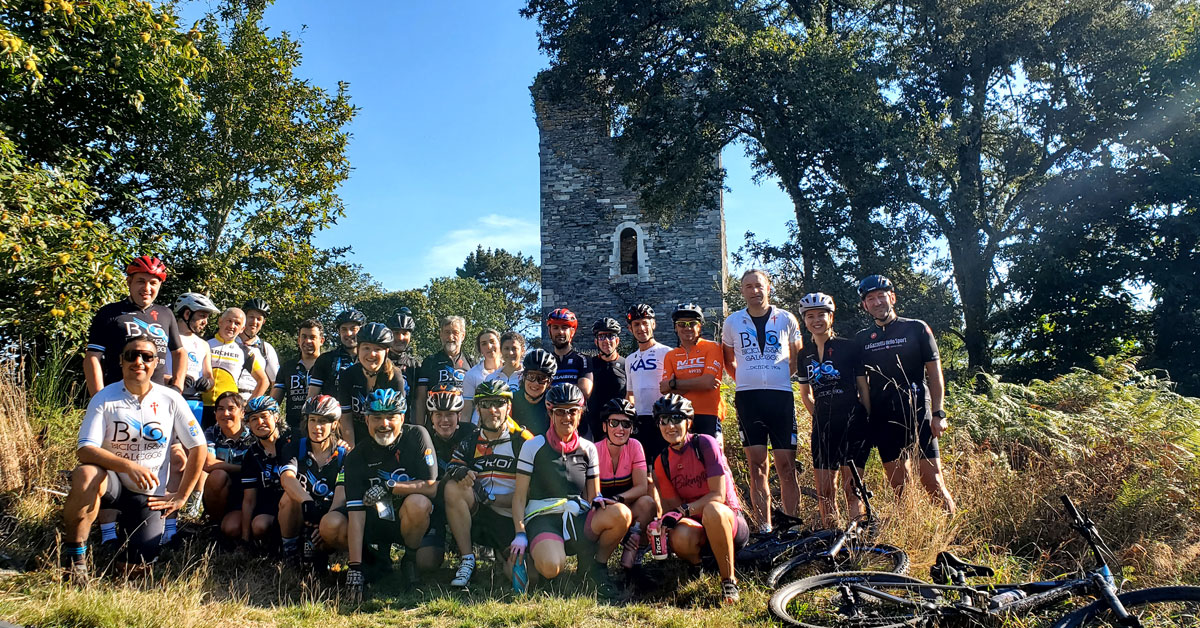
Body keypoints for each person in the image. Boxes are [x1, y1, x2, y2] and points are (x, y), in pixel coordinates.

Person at [62, 337, 206, 581]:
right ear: (120, 361)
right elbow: (85, 450)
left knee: (135, 569)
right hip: (111, 484)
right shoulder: (104, 397)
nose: (138, 361)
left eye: (146, 356)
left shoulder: (171, 399)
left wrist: (182, 496)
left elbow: (199, 447)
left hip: (149, 494)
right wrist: (128, 466)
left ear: (156, 363)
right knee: (86, 474)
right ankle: (75, 558)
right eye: (131, 355)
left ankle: (122, 548)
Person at [510, 383, 629, 597]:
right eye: (560, 411)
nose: (567, 417)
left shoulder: (588, 448)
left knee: (622, 514)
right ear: (550, 413)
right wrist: (520, 533)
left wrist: (600, 501)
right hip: (543, 518)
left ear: (580, 413)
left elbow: (594, 495)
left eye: (573, 411)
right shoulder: (533, 446)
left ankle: (595, 568)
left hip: (577, 517)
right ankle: (538, 560)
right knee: (551, 566)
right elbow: (519, 498)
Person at [854, 275, 956, 513]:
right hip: (883, 418)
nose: (877, 302)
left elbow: (935, 373)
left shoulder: (916, 328)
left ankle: (953, 538)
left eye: (881, 295)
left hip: (919, 411)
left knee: (934, 483)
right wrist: (867, 419)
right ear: (865, 305)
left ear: (892, 297)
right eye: (871, 298)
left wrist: (939, 413)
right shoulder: (861, 339)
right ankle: (912, 539)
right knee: (900, 488)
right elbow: (863, 386)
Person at [721, 269, 803, 533]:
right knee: (756, 465)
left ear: (769, 287)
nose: (754, 291)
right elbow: (728, 360)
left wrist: (777, 376)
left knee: (786, 466)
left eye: (759, 285)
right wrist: (747, 377)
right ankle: (764, 526)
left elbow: (796, 358)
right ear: (741, 291)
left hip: (780, 397)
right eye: (748, 286)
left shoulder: (787, 319)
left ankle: (791, 526)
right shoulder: (733, 321)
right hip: (748, 398)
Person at [652, 394, 749, 604]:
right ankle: (701, 566)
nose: (670, 426)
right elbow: (673, 508)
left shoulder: (705, 443)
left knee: (712, 510)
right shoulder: (662, 461)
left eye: (676, 419)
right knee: (679, 533)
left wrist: (684, 510)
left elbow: (718, 495)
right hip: (698, 524)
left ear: (688, 422)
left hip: (728, 521)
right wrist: (663, 523)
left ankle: (728, 581)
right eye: (664, 420)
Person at [342, 389, 437, 600]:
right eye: (377, 417)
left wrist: (390, 486)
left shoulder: (417, 435)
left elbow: (431, 486)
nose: (384, 424)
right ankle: (372, 561)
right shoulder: (356, 456)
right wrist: (354, 567)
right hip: (374, 523)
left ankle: (409, 560)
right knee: (331, 525)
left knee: (419, 505)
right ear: (366, 420)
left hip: (408, 520)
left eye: (391, 417)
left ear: (402, 418)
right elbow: (356, 515)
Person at [442, 380, 533, 587]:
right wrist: (461, 471)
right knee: (453, 487)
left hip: (510, 520)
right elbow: (451, 466)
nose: (492, 410)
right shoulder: (471, 440)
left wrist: (492, 499)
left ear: (508, 407)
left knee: (527, 580)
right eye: (485, 404)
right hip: (479, 517)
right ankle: (467, 560)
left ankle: (503, 558)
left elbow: (532, 492)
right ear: (477, 409)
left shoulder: (523, 440)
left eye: (498, 403)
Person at [796, 293, 871, 528]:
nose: (816, 320)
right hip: (824, 424)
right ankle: (831, 536)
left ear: (831, 317)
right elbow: (805, 393)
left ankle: (855, 536)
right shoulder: (803, 354)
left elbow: (863, 386)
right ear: (804, 320)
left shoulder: (849, 347)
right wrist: (817, 415)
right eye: (810, 316)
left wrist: (868, 417)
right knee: (825, 490)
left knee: (852, 488)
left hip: (853, 420)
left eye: (821, 315)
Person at [84, 255, 185, 396]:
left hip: (156, 398)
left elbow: (179, 352)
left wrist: (177, 388)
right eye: (141, 281)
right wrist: (98, 396)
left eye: (153, 283)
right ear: (129, 282)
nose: (147, 288)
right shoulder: (109, 312)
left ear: (160, 285)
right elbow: (93, 357)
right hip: (117, 395)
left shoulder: (166, 314)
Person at [278, 395, 348, 571]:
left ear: (334, 424)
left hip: (331, 514)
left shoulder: (344, 453)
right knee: (288, 498)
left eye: (323, 421)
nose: (316, 427)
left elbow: (342, 493)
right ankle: (290, 552)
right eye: (312, 420)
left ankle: (333, 554)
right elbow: (287, 478)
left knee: (329, 531)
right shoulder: (294, 447)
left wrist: (323, 524)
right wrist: (307, 502)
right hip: (303, 512)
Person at [595, 398, 657, 572]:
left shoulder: (635, 446)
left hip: (624, 504)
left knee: (647, 502)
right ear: (604, 426)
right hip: (602, 509)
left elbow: (641, 487)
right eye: (614, 423)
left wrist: (618, 499)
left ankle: (634, 549)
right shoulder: (594, 449)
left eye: (626, 424)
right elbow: (590, 491)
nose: (620, 429)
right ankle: (597, 562)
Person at [418, 382, 475, 573]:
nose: (444, 420)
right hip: (434, 506)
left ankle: (467, 545)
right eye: (438, 415)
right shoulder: (420, 437)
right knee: (426, 563)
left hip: (464, 505)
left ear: (459, 415)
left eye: (450, 414)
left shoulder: (472, 434)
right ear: (430, 417)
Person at [660, 304, 725, 439]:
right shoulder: (670, 355)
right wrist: (697, 382)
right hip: (680, 416)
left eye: (692, 323)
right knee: (684, 459)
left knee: (712, 459)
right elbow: (664, 388)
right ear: (675, 328)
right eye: (682, 324)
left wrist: (674, 384)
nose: (687, 327)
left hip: (709, 414)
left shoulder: (713, 347)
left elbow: (707, 382)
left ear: (699, 326)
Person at [336, 322, 405, 448]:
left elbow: (399, 420)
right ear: (358, 350)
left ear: (387, 352)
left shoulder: (395, 377)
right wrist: (352, 452)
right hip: (357, 437)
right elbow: (345, 418)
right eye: (366, 348)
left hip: (387, 437)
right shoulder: (348, 375)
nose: (372, 354)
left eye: (378, 349)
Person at [202, 392, 258, 543]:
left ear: (242, 412)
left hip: (249, 492)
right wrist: (243, 468)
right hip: (223, 491)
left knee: (232, 529)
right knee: (217, 475)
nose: (225, 413)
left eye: (231, 408)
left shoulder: (253, 435)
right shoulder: (211, 432)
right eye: (220, 409)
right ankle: (214, 525)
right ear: (215, 413)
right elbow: (208, 464)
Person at [239, 396, 291, 550]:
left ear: (276, 417)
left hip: (297, 506)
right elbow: (249, 500)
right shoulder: (251, 454)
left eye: (264, 416)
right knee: (259, 525)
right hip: (270, 507)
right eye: (254, 419)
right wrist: (244, 539)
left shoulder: (294, 441)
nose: (259, 422)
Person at [203, 308, 270, 428]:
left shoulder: (244, 351)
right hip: (200, 404)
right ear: (220, 322)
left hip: (227, 411)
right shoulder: (203, 343)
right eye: (229, 321)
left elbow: (264, 381)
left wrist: (247, 406)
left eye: (237, 323)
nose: (232, 326)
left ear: (242, 329)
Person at [624, 303, 672, 466]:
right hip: (640, 420)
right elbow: (629, 393)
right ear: (630, 329)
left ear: (653, 324)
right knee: (644, 467)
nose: (641, 328)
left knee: (665, 464)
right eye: (636, 324)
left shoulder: (667, 352)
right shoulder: (630, 359)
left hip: (662, 416)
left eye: (645, 322)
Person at [413, 315, 474, 429]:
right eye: (446, 332)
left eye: (455, 332)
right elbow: (421, 399)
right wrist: (419, 429)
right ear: (441, 335)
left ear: (463, 335)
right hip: (437, 424)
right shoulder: (430, 362)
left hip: (463, 424)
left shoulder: (471, 362)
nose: (450, 337)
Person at [168, 292, 218, 421]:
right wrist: (173, 379)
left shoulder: (203, 344)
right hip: (167, 397)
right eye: (202, 316)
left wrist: (207, 383)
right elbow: (152, 372)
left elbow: (209, 376)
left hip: (194, 401)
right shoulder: (164, 337)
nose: (205, 322)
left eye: (207, 317)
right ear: (187, 314)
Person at [273, 319, 325, 434]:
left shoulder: (329, 365)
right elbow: (274, 401)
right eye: (304, 337)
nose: (308, 341)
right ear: (298, 340)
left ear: (321, 340)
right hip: (293, 428)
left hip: (322, 428)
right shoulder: (287, 367)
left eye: (312, 337)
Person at [584, 317, 627, 441]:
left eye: (610, 336)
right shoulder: (589, 364)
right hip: (594, 428)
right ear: (596, 341)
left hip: (618, 426)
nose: (606, 341)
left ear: (617, 341)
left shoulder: (627, 364)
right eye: (602, 336)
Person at [308, 309, 366, 398]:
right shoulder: (325, 359)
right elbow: (311, 397)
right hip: (333, 411)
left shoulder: (371, 359)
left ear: (361, 330)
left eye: (353, 329)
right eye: (344, 329)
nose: (348, 333)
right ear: (339, 332)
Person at [545, 308, 593, 400]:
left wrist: (551, 388)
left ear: (572, 332)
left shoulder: (583, 359)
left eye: (564, 327)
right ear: (549, 331)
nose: (560, 332)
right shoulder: (545, 361)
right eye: (555, 327)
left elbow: (585, 391)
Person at [237, 298, 280, 392]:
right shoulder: (230, 341)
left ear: (263, 322)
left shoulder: (266, 349)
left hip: (252, 400)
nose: (254, 322)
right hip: (225, 400)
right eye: (251, 317)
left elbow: (275, 383)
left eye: (259, 319)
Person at [461, 328, 502, 424]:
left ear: (499, 344)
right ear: (480, 349)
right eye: (484, 344)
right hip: (479, 428)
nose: (489, 346)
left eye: (492, 341)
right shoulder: (472, 375)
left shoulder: (512, 371)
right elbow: (467, 411)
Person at [511, 349, 556, 435]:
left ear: (549, 382)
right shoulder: (511, 402)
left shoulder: (554, 406)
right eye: (531, 376)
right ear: (523, 377)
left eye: (542, 378)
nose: (535, 383)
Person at [386, 308, 422, 412]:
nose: (400, 338)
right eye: (396, 333)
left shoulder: (415, 366)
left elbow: (419, 401)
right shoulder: (379, 362)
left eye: (405, 333)